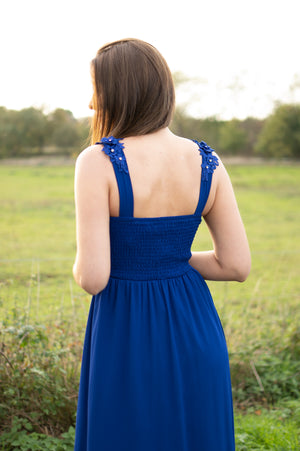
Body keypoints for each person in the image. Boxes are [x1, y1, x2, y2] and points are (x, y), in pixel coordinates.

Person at [73, 38, 251, 451]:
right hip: (196, 326)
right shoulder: (209, 161)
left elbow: (93, 277)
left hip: (127, 330)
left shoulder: (97, 162)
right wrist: (173, 255)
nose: (89, 104)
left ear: (119, 92)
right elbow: (235, 266)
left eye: (96, 91)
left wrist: (86, 264)